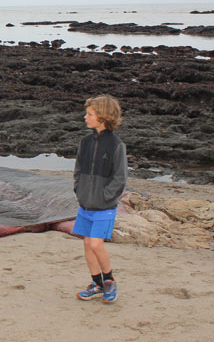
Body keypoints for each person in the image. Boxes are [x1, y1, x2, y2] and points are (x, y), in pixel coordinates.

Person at [73, 94, 127, 304]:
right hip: (85, 204)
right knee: (87, 244)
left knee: (96, 244)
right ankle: (96, 284)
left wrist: (105, 197)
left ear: (103, 117)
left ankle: (109, 281)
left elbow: (120, 179)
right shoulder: (85, 142)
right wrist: (79, 189)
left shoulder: (116, 145)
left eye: (90, 114)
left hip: (104, 207)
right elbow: (78, 169)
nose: (85, 117)